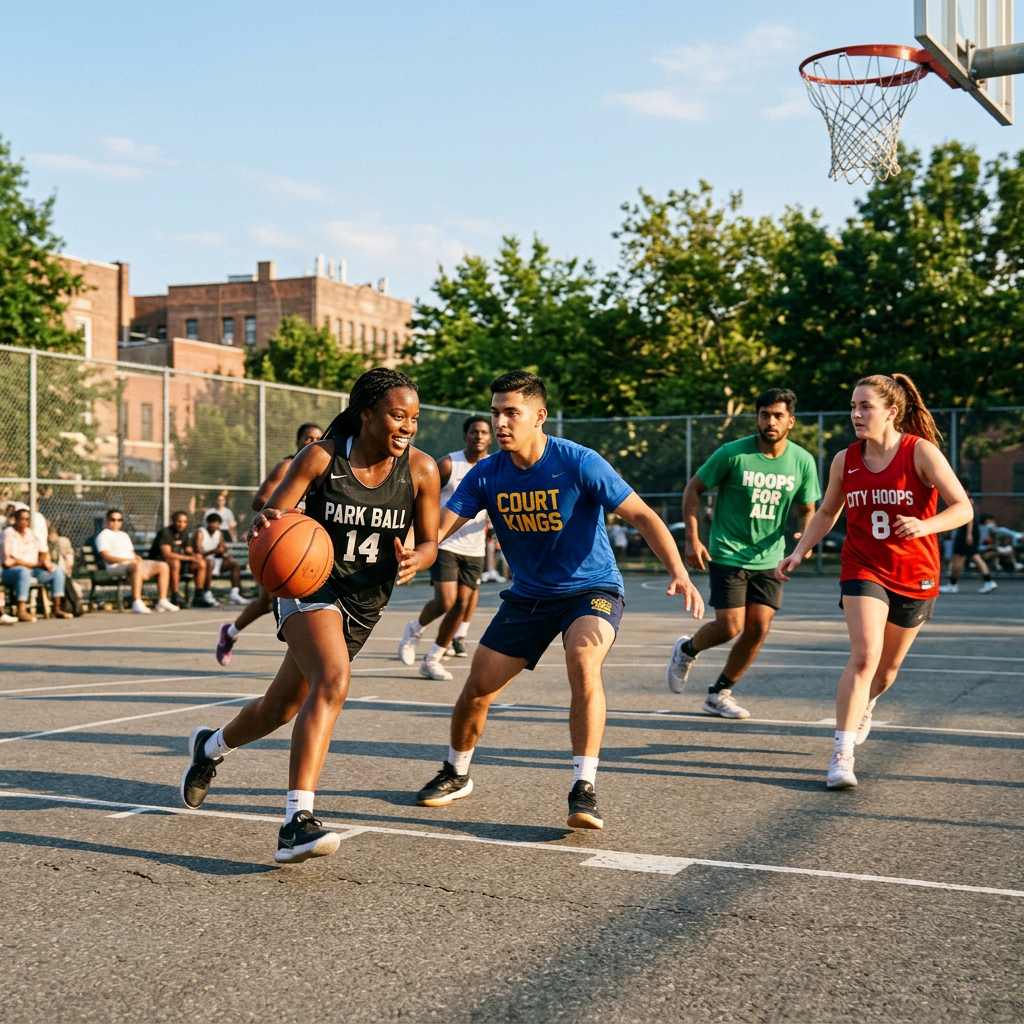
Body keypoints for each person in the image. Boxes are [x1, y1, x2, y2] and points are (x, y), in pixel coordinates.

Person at [414, 370, 704, 831]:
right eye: (496, 413)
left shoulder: (579, 462)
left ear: (540, 416)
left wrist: (678, 572)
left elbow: (643, 515)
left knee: (583, 660)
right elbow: (439, 530)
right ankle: (456, 772)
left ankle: (583, 788)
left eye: (512, 413)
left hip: (591, 589)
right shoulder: (487, 474)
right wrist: (411, 553)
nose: (501, 423)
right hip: (529, 595)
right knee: (477, 689)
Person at [180, 369, 439, 863]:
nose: (407, 426)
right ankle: (296, 822)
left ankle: (209, 749)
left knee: (280, 709)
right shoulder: (322, 457)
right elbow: (274, 519)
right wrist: (267, 525)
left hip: (365, 601)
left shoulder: (422, 471)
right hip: (309, 586)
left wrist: (418, 558)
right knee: (333, 680)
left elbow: (429, 541)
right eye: (397, 416)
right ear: (367, 415)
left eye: (414, 419)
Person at [776, 373, 973, 790]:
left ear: (891, 412)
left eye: (865, 406)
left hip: (915, 572)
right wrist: (800, 550)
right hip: (863, 566)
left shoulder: (921, 453)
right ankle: (842, 754)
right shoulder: (844, 459)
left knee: (885, 671)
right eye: (853, 406)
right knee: (865, 656)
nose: (856, 414)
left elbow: (963, 509)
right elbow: (828, 512)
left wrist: (925, 525)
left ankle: (867, 705)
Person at [665, 388, 820, 718]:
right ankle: (687, 649)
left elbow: (809, 508)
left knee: (758, 628)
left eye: (778, 416)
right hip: (728, 552)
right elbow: (694, 490)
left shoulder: (802, 461)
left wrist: (803, 541)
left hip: (770, 557)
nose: (771, 421)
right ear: (757, 418)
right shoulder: (732, 454)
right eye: (765, 415)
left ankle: (719, 693)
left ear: (790, 421)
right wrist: (693, 541)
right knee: (730, 627)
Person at [215, 422, 322, 665]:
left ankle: (229, 632)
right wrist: (290, 509)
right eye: (307, 437)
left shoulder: (321, 467)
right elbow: (260, 500)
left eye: (317, 437)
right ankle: (302, 664)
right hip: (278, 540)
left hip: (304, 544)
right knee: (276, 602)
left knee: (272, 603)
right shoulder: (288, 465)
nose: (312, 441)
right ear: (298, 442)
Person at [398, 415, 493, 679]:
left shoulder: (494, 467)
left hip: (474, 548)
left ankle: (432, 659)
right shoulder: (450, 464)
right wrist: (413, 533)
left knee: (462, 606)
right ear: (466, 436)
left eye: (484, 432)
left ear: (490, 437)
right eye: (474, 432)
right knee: (446, 601)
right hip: (444, 541)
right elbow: (422, 493)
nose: (479, 436)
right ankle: (414, 629)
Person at [96, 509, 177, 614]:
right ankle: (137, 602)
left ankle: (162, 600)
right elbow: (107, 558)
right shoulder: (103, 535)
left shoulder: (124, 535)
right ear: (107, 521)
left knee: (163, 565)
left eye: (119, 520)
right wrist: (129, 560)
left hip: (132, 564)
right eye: (113, 519)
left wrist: (136, 557)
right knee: (136, 566)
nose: (116, 522)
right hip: (115, 567)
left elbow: (131, 552)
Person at [1, 507, 72, 620]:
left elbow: (43, 551)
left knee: (56, 570)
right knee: (23, 572)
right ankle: (21, 610)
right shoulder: (8, 533)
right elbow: (10, 561)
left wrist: (45, 561)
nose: (24, 522)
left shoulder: (31, 534)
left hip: (34, 569)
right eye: (22, 519)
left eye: (27, 519)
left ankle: (57, 608)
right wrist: (34, 564)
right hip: (11, 572)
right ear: (15, 520)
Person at [150, 512, 214, 608]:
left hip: (179, 562)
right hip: (159, 562)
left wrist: (195, 556)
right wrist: (190, 558)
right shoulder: (165, 532)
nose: (182, 524)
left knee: (201, 563)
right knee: (175, 563)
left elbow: (188, 549)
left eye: (184, 522)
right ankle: (175, 597)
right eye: (179, 521)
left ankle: (198, 596)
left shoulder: (184, 532)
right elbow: (167, 554)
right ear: (173, 521)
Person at [939, 497, 995, 594]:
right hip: (967, 533)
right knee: (973, 557)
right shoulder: (966, 498)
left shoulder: (965, 498)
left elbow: (969, 517)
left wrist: (968, 534)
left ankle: (953, 584)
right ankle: (988, 581)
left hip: (965, 534)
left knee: (960, 557)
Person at [195, 513, 246, 605]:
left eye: (217, 523)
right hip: (204, 561)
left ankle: (234, 593)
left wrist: (223, 551)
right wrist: (214, 551)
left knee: (233, 563)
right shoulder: (201, 532)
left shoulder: (219, 533)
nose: (215, 525)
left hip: (216, 560)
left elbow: (222, 547)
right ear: (207, 523)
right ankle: (207, 593)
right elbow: (199, 551)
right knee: (209, 562)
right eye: (213, 523)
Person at [48, 523, 84, 617]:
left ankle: (70, 606)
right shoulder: (44, 542)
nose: (50, 536)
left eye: (52, 533)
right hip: (48, 570)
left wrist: (66, 568)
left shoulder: (61, 541)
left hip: (61, 571)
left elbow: (68, 559)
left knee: (63, 577)